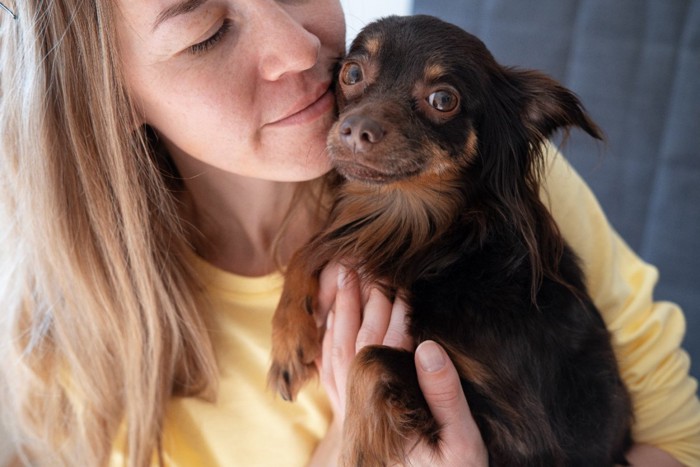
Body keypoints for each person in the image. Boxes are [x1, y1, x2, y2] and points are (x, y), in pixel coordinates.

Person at [0, 0, 698, 465]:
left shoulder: (492, 181)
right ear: (108, 95)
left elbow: (677, 438)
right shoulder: (73, 343)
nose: (301, 49)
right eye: (207, 32)